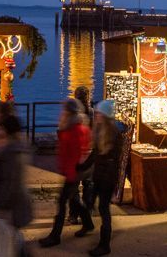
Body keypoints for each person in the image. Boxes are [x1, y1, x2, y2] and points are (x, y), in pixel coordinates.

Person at [39, 99, 93, 248]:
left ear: (69, 112)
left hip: (72, 173)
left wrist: (68, 173)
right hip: (74, 171)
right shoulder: (81, 127)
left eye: (64, 110)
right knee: (74, 198)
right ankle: (88, 224)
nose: (62, 112)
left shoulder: (73, 130)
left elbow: (73, 154)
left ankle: (55, 236)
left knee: (62, 202)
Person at [76, 100, 121, 256]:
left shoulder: (113, 133)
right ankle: (88, 225)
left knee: (103, 209)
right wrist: (82, 166)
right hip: (99, 175)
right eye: (97, 113)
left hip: (107, 178)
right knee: (89, 202)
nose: (97, 116)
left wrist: (111, 183)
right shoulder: (100, 129)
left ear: (107, 116)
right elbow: (95, 154)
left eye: (100, 114)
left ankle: (104, 244)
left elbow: (115, 161)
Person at [0, 114, 33, 256]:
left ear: (6, 130)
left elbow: (9, 183)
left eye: (0, 128)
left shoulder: (11, 153)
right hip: (18, 202)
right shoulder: (17, 147)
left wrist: (2, 207)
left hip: (13, 205)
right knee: (15, 237)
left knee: (12, 239)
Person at [71, 85, 95, 223]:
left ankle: (74, 214)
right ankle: (88, 211)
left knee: (73, 186)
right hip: (88, 152)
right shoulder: (91, 112)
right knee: (88, 185)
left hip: (76, 153)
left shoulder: (73, 114)